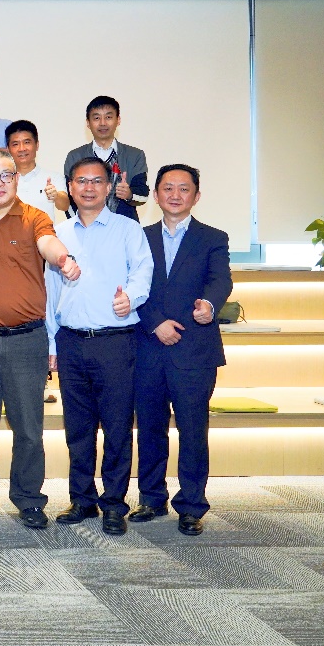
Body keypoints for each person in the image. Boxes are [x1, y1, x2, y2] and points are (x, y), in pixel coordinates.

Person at [0, 149, 77, 530]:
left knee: (28, 427)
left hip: (26, 340)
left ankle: (28, 499)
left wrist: (63, 259)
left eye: (5, 176)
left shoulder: (35, 217)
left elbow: (48, 244)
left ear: (16, 180)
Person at [45, 157, 153, 535]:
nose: (88, 188)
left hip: (115, 342)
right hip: (71, 342)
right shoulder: (58, 234)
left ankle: (114, 504)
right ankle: (82, 499)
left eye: (96, 181)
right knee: (78, 428)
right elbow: (50, 293)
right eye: (81, 181)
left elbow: (143, 273)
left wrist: (131, 298)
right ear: (70, 188)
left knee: (117, 427)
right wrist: (50, 342)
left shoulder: (127, 229)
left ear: (108, 187)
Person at [132, 164, 232, 536]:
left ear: (196, 196)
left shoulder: (213, 238)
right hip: (148, 346)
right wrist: (155, 322)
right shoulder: (139, 237)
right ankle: (151, 498)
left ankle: (191, 505)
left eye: (184, 188)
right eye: (168, 188)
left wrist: (210, 304)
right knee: (150, 428)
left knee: (192, 429)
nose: (175, 195)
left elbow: (220, 280)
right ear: (156, 195)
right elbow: (131, 285)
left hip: (194, 349)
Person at [63, 95, 148, 220]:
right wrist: (78, 223)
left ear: (118, 120)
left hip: (124, 226)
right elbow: (68, 198)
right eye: (96, 118)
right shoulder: (75, 156)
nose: (102, 123)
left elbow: (143, 195)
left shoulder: (135, 155)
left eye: (108, 117)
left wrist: (129, 194)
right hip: (87, 226)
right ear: (88, 123)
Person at [6, 120, 68, 221]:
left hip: (45, 231)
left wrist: (56, 196)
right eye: (15, 144)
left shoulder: (53, 177)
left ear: (37, 145)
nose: (22, 149)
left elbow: (64, 206)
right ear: (8, 149)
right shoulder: (2, 180)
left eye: (27, 142)